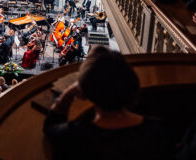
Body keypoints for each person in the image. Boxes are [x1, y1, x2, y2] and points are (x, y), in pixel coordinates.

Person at [44, 46, 174, 160]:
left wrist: (68, 93)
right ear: (132, 83)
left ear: (87, 90)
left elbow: (50, 128)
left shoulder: (74, 137)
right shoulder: (158, 130)